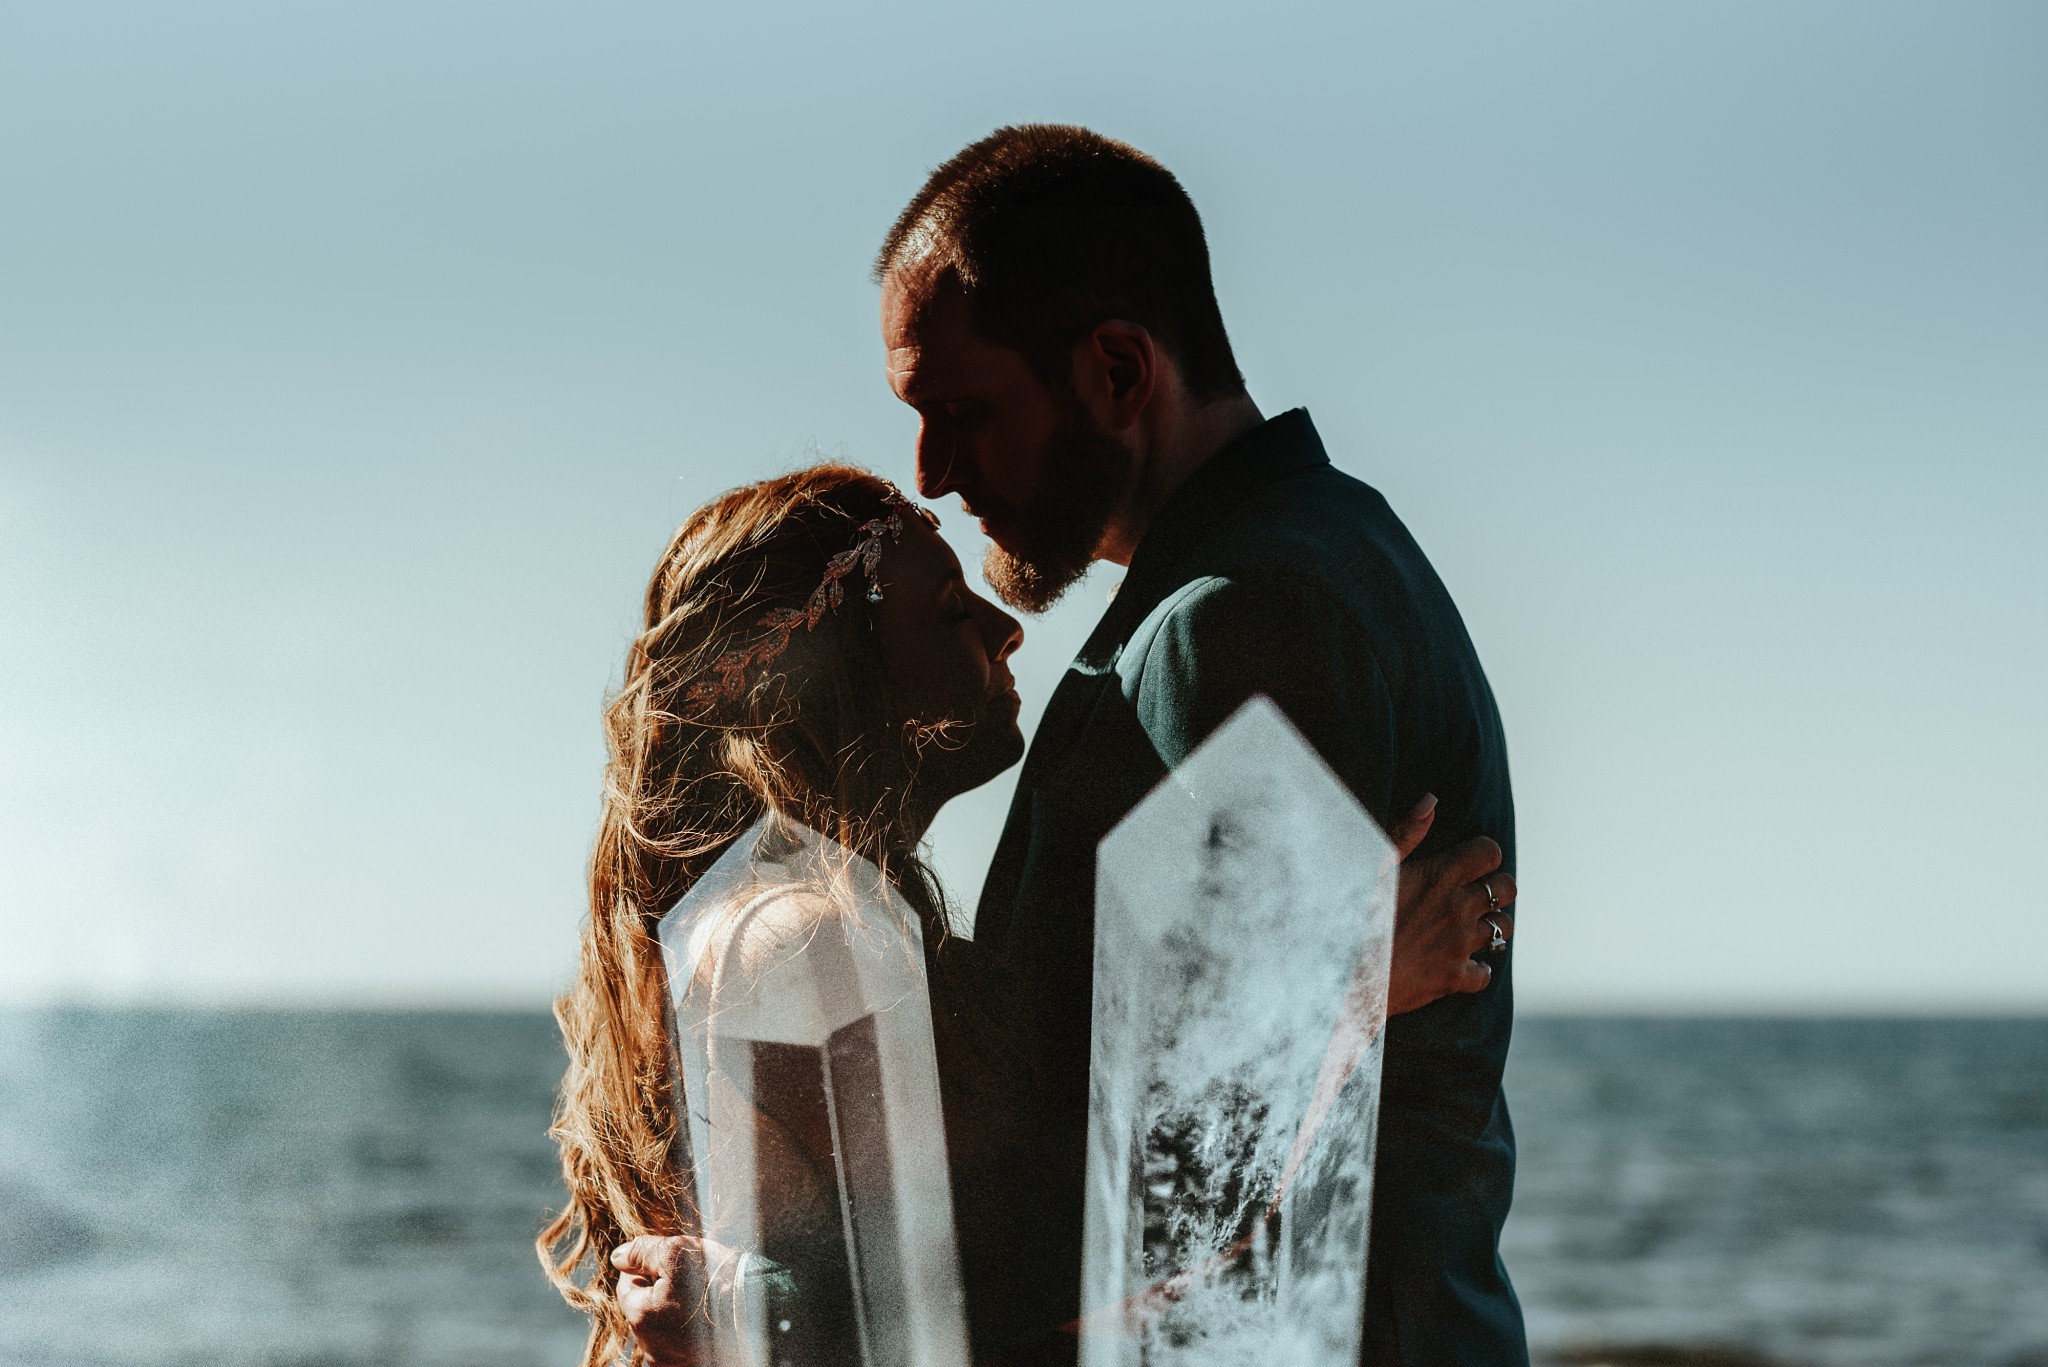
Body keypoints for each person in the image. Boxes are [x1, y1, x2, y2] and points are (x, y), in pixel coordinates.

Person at [542, 465, 1516, 1366]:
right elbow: (960, 1305)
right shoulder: (803, 930)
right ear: (829, 665)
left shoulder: (781, 911)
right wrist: (1336, 985)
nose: (1004, 625)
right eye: (946, 609)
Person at [868, 125, 1528, 1365]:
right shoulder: (1294, 561)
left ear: (1119, 369)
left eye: (961, 411)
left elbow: (1195, 1195)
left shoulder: (1244, 616)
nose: (933, 471)